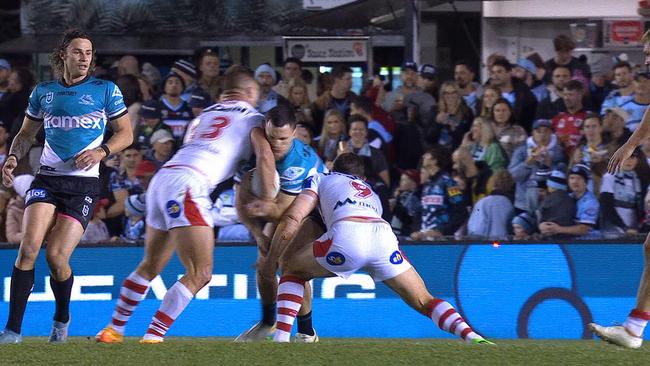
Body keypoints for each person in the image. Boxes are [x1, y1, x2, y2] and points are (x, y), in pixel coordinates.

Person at [95, 65, 264, 344]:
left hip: (164, 178)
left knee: (150, 265)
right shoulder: (255, 119)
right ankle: (153, 337)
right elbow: (260, 160)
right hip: (190, 184)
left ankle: (114, 330)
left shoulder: (205, 114)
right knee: (201, 272)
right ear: (249, 92)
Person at [257, 153, 493, 344]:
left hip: (347, 235)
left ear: (333, 170)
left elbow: (294, 218)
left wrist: (271, 262)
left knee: (292, 268)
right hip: (383, 238)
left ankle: (282, 338)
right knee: (423, 300)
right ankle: (472, 337)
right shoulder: (372, 192)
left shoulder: (321, 178)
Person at [0, 29, 133, 344]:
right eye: (77, 52)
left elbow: (126, 134)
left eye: (88, 52)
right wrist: (11, 159)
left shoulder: (105, 90)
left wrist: (101, 152)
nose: (84, 58)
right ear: (63, 55)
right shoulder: (43, 91)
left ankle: (61, 319)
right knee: (29, 248)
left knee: (57, 257)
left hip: (83, 186)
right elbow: (25, 134)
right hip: (47, 178)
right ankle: (13, 331)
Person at [234, 103, 326, 342]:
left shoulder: (299, 163)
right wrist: (257, 234)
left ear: (294, 133)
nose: (276, 144)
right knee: (263, 263)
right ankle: (267, 323)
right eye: (272, 137)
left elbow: (286, 215)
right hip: (283, 211)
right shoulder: (253, 151)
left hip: (316, 213)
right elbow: (240, 200)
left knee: (290, 265)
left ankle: (307, 331)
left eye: (283, 139)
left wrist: (266, 209)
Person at [466, 170, 515, 239]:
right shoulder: (512, 203)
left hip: (488, 245)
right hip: (505, 245)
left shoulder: (482, 203)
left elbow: (476, 229)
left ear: (492, 182)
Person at [160, 73, 194, 144]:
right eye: (170, 82)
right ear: (164, 87)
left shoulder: (189, 107)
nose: (174, 85)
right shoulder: (157, 107)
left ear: (182, 87)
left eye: (177, 82)